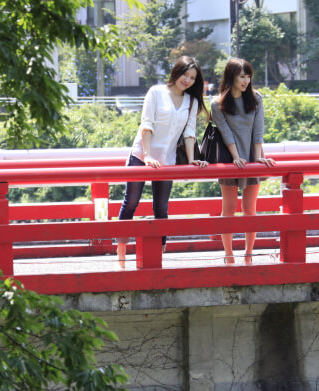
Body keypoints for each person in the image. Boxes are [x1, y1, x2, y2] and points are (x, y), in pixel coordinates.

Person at [115, 56, 209, 267]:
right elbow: (147, 124)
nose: (188, 80)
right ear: (176, 71)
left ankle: (160, 253)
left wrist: (193, 159)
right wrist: (147, 156)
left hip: (167, 160)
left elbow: (190, 131)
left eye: (192, 78)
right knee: (131, 201)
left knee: (161, 207)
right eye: (185, 74)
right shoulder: (156, 92)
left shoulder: (191, 101)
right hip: (141, 155)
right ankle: (121, 251)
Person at [211, 58, 274, 264]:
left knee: (250, 209)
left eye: (248, 76)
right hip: (230, 158)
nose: (245, 81)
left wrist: (258, 160)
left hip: (252, 154)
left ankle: (248, 254)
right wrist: (236, 157)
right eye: (241, 76)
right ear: (231, 77)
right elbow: (226, 132)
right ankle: (229, 255)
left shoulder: (256, 98)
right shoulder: (217, 103)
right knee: (228, 209)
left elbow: (258, 129)